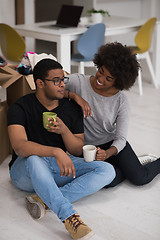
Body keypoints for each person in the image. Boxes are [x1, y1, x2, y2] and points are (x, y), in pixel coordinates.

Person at [7, 59, 116, 240]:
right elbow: (19, 147)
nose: (62, 85)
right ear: (40, 83)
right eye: (56, 80)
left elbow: (76, 149)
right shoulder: (21, 106)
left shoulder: (72, 109)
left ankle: (44, 199)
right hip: (25, 171)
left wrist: (64, 131)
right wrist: (56, 151)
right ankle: (69, 217)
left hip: (56, 166)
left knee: (107, 170)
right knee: (34, 159)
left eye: (63, 80)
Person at [65, 42, 160, 188]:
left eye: (108, 78)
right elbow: (52, 88)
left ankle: (144, 164)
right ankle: (132, 164)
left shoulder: (121, 101)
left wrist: (108, 153)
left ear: (119, 81)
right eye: (101, 71)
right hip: (84, 147)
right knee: (109, 181)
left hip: (110, 145)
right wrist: (73, 95)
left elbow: (121, 138)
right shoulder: (78, 82)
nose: (100, 78)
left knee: (140, 177)